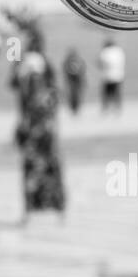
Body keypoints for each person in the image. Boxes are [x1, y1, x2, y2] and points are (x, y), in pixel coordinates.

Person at [14, 70, 66, 224]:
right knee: (43, 182)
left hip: (40, 151)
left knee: (39, 182)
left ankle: (36, 213)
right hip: (43, 151)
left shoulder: (36, 104)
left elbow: (25, 130)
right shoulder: (45, 101)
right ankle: (55, 212)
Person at [97, 39, 126, 115]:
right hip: (118, 75)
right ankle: (117, 109)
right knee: (117, 93)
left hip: (107, 76)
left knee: (106, 94)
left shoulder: (105, 52)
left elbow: (100, 63)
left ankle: (106, 109)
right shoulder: (119, 51)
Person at [62, 48, 86, 115]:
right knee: (71, 94)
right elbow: (65, 70)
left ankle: (77, 108)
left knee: (77, 94)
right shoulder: (67, 61)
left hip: (77, 80)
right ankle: (73, 108)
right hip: (71, 80)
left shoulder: (78, 60)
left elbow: (82, 70)